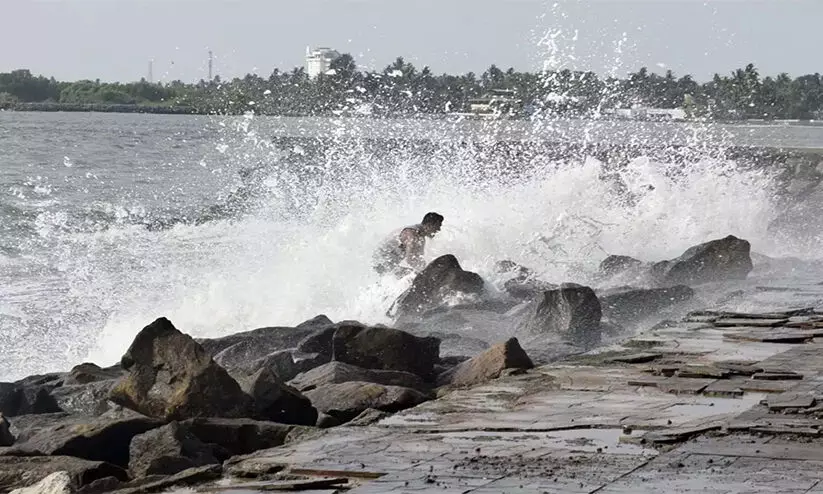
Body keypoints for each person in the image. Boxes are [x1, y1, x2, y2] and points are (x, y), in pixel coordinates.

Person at [373, 212, 444, 276]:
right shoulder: (412, 234)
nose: (439, 230)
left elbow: (418, 259)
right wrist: (426, 273)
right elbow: (411, 260)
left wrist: (427, 269)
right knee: (412, 275)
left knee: (413, 274)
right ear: (429, 225)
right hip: (379, 264)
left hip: (389, 265)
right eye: (438, 226)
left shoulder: (421, 237)